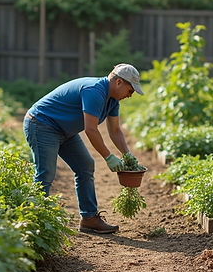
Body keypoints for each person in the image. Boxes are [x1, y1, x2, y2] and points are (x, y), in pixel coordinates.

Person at [24, 64, 144, 234]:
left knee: (85, 165)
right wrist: (108, 157)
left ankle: (89, 219)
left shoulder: (112, 101)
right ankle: (33, 221)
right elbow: (91, 129)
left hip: (64, 130)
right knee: (46, 172)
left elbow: (115, 131)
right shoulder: (94, 91)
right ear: (118, 82)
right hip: (41, 124)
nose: (130, 96)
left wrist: (128, 155)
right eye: (130, 91)